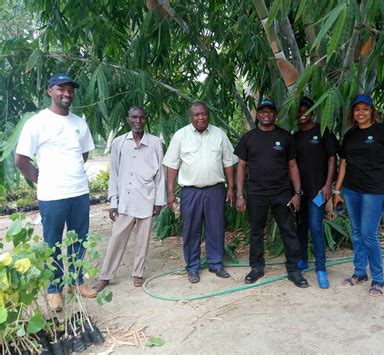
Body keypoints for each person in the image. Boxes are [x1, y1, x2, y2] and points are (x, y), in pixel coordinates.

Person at [15, 73, 97, 311]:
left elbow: (84, 152)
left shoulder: (79, 123)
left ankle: (77, 281)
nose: (67, 94)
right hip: (52, 195)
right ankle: (54, 290)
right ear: (50, 91)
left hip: (79, 191)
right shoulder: (37, 122)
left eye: (70, 90)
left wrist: (72, 171)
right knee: (52, 242)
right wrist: (40, 179)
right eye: (61, 89)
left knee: (79, 239)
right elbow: (21, 159)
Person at [332, 94, 384, 297]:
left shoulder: (383, 131)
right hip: (352, 190)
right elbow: (343, 164)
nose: (361, 113)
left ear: (372, 111)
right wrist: (337, 191)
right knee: (356, 232)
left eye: (365, 109)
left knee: (368, 234)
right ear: (352, 113)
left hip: (375, 190)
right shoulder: (350, 135)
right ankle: (360, 273)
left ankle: (378, 279)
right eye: (357, 109)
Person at [235, 98, 308, 288]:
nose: (266, 114)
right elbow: (241, 166)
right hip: (256, 193)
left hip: (282, 192)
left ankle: (294, 270)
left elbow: (293, 165)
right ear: (257, 114)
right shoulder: (248, 138)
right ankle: (257, 268)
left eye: (270, 111)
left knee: (288, 230)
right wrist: (240, 195)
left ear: (275, 114)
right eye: (262, 111)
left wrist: (297, 193)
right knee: (256, 232)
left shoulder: (285, 137)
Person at [93, 107, 166, 292]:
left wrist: (159, 201)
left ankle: (138, 273)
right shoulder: (119, 142)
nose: (138, 120)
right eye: (134, 117)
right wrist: (113, 202)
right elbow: (114, 174)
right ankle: (106, 276)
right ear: (128, 119)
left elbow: (160, 176)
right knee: (116, 238)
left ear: (146, 119)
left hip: (147, 198)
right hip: (125, 200)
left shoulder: (155, 143)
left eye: (142, 117)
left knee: (143, 239)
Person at [163, 101, 237, 284]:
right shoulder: (181, 136)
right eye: (196, 115)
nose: (201, 117)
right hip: (190, 192)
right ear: (191, 117)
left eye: (204, 114)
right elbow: (171, 165)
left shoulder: (219, 134)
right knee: (191, 230)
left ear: (208, 115)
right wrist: (170, 192)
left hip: (215, 190)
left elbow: (229, 162)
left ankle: (216, 263)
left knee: (216, 227)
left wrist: (232, 188)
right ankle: (193, 267)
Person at [293, 97, 338, 288]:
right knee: (301, 226)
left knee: (316, 227)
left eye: (306, 111)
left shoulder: (322, 131)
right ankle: (303, 259)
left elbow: (331, 159)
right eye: (299, 111)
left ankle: (321, 268)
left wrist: (328, 185)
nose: (302, 114)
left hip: (317, 191)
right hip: (299, 191)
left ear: (312, 112)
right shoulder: (294, 137)